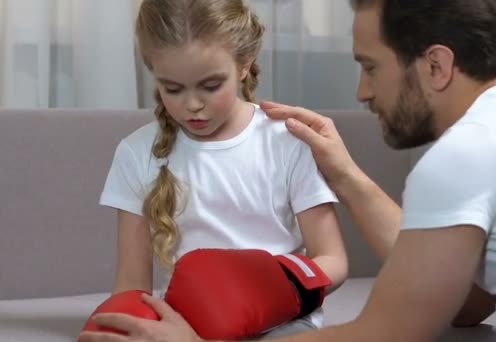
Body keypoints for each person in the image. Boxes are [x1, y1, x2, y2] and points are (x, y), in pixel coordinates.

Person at [79, 0, 496, 341]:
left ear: (437, 65)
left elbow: (387, 331)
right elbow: (467, 306)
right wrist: (348, 174)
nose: (361, 92)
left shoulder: (467, 154)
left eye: (370, 66)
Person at [77, 0, 348, 341]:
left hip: (283, 321)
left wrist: (263, 290)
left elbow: (334, 260)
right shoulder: (136, 153)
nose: (192, 104)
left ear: (244, 66)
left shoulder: (286, 141)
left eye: (210, 86)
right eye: (172, 89)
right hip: (188, 323)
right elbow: (132, 283)